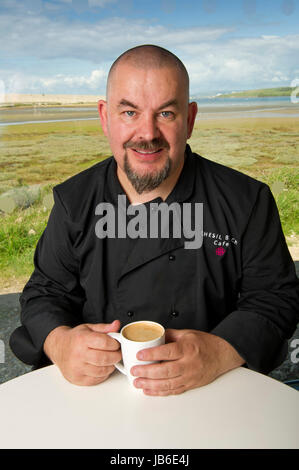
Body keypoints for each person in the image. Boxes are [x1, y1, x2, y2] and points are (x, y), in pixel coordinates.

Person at [10, 45, 299, 396]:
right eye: (129, 112)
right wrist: (60, 342)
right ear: (105, 117)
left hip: (216, 387)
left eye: (165, 113)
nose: (147, 133)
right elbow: (44, 292)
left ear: (190, 120)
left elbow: (276, 297)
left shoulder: (246, 200)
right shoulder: (74, 200)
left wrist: (220, 350)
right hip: (101, 393)